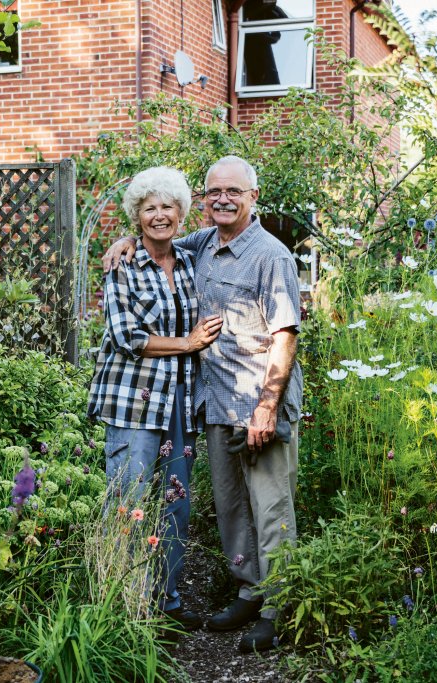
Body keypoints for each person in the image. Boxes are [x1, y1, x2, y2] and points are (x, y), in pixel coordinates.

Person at [102, 156, 303, 653]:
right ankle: (247, 591)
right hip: (214, 403)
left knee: (272, 507)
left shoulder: (271, 256)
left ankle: (279, 606)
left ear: (253, 197)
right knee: (232, 509)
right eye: (214, 192)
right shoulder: (202, 247)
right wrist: (124, 240)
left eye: (233, 191)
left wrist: (266, 407)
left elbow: (285, 336)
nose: (223, 200)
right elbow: (157, 238)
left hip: (260, 404)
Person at [87, 166, 223, 632]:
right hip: (133, 401)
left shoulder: (187, 260)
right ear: (136, 217)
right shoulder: (123, 264)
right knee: (128, 498)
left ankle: (167, 600)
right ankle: (122, 602)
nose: (159, 216)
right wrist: (186, 343)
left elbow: (228, 225)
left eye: (168, 207)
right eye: (149, 209)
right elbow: (127, 335)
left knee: (176, 503)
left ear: (182, 214)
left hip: (178, 403)